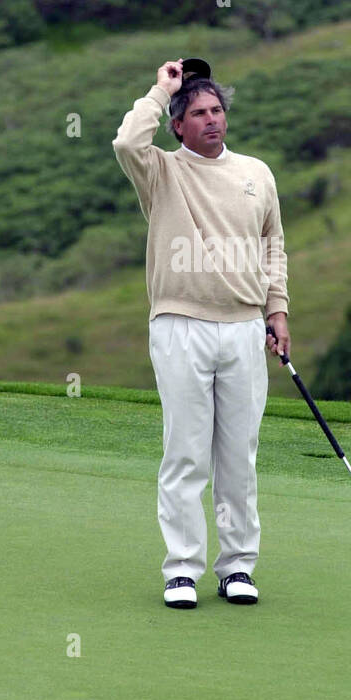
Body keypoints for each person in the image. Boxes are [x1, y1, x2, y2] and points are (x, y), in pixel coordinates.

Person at [112, 57, 290, 609]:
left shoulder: (256, 173)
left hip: (243, 327)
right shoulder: (160, 172)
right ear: (178, 124)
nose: (212, 120)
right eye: (198, 113)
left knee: (239, 456)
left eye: (217, 111)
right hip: (179, 325)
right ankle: (181, 570)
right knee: (186, 454)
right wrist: (160, 90)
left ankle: (237, 567)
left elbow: (272, 246)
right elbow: (125, 143)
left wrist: (277, 309)